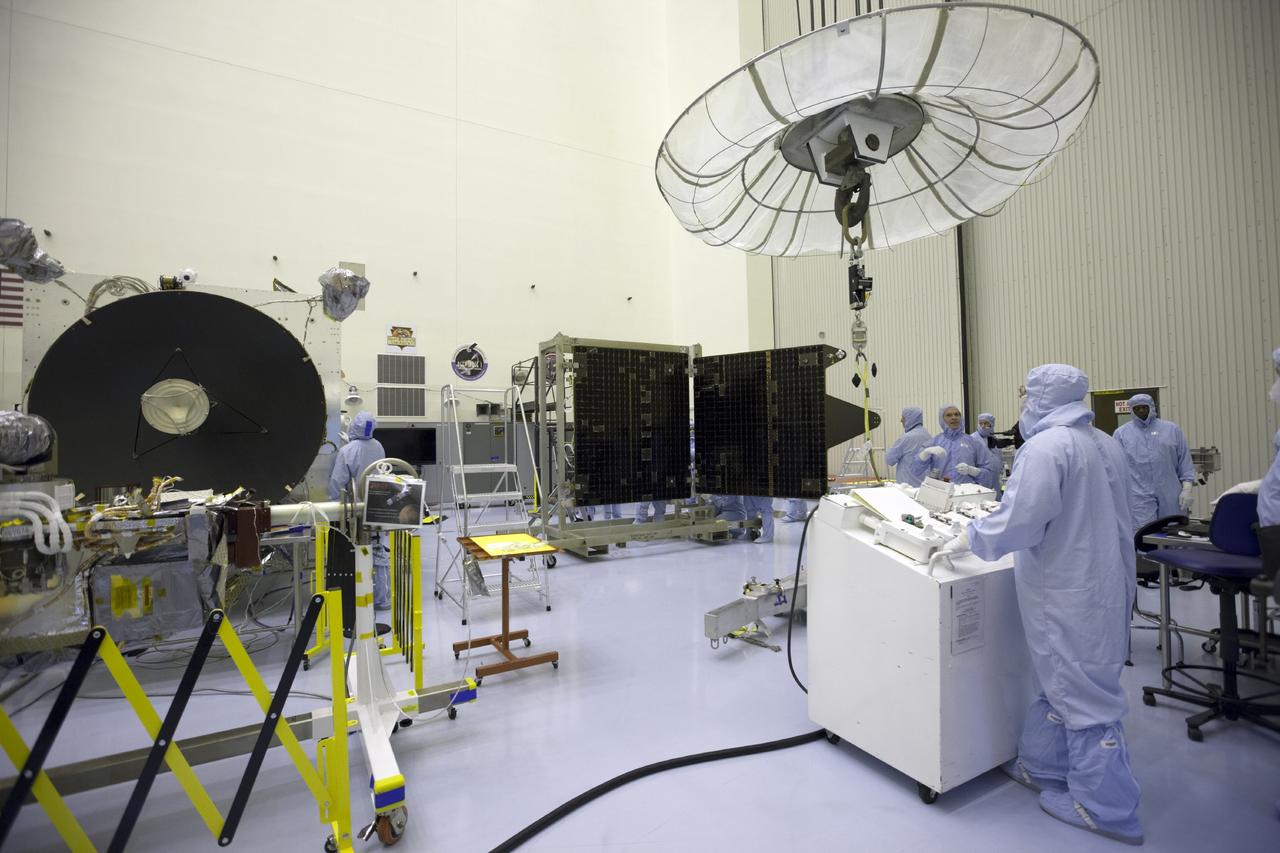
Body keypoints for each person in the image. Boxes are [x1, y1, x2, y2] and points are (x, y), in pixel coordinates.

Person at [939, 364, 1142, 845]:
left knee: (1082, 690)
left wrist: (969, 536)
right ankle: (1043, 765)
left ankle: (1106, 808)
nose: (1023, 402)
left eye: (1027, 394)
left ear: (1042, 397)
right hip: (1103, 583)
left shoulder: (1048, 447)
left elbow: (1021, 522)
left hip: (1065, 589)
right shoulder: (1103, 441)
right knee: (1062, 682)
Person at [328, 411, 391, 610]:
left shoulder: (347, 451)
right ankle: (382, 599)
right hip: (377, 506)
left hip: (354, 510)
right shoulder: (378, 446)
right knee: (379, 551)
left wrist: (332, 508)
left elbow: (337, 483)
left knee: (355, 550)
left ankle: (357, 596)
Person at [1113, 393, 1195, 528]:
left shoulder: (1171, 429)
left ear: (1151, 407)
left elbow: (1184, 460)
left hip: (1170, 492)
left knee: (1174, 529)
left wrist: (1187, 489)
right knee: (1143, 532)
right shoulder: (1121, 434)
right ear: (1131, 410)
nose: (1141, 411)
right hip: (1138, 494)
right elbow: (1116, 465)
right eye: (1136, 408)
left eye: (1144, 407)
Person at [923, 405, 990, 485]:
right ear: (942, 419)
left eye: (957, 414)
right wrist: (923, 454)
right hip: (941, 491)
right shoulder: (933, 443)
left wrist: (973, 471)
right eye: (949, 415)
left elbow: (988, 473)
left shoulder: (973, 442)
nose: (954, 417)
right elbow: (916, 470)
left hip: (966, 493)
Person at [884, 406, 934, 486]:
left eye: (903, 418)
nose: (901, 420)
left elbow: (889, 460)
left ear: (910, 419)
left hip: (907, 487)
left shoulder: (906, 438)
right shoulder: (928, 436)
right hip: (924, 487)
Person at [971, 412, 1004, 491]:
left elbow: (999, 459)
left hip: (995, 482)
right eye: (980, 423)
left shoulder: (993, 439)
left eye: (986, 423)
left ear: (992, 424)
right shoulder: (972, 439)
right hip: (979, 483)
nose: (982, 426)